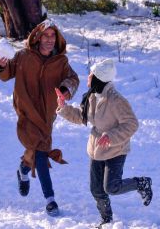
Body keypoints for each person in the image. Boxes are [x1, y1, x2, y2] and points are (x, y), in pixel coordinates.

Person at [0, 19, 79, 216]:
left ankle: (23, 169)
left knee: (36, 150)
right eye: (45, 35)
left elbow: (73, 79)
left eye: (52, 36)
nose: (49, 40)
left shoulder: (61, 62)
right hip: (26, 114)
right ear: (37, 37)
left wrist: (65, 91)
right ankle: (50, 199)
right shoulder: (24, 56)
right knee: (41, 152)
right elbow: (6, 74)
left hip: (48, 116)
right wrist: (2, 65)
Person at [55, 59, 152, 227]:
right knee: (96, 189)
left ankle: (141, 183)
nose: (88, 77)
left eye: (91, 75)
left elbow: (132, 124)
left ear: (98, 78)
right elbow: (81, 117)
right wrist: (64, 107)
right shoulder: (92, 96)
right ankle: (106, 221)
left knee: (111, 187)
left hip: (116, 149)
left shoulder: (116, 100)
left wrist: (111, 136)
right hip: (97, 149)